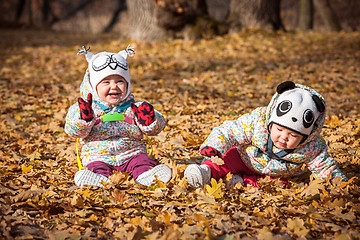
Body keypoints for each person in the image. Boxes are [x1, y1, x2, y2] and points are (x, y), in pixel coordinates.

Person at [184, 81, 347, 188]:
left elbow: (323, 165)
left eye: (293, 136)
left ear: (305, 137)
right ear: (270, 124)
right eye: (280, 130)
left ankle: (238, 182)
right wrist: (215, 146)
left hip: (275, 173)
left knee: (281, 184)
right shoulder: (257, 122)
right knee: (226, 157)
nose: (284, 137)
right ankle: (206, 171)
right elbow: (230, 131)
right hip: (245, 158)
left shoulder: (311, 146)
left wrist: (340, 184)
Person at [65, 45, 171, 187]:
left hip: (132, 153)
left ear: (127, 84)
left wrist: (150, 120)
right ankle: (98, 180)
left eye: (119, 81)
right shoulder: (86, 108)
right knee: (97, 167)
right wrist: (84, 119)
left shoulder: (134, 107)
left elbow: (155, 129)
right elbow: (73, 131)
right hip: (98, 156)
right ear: (94, 86)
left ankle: (146, 175)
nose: (114, 86)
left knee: (142, 161)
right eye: (106, 82)